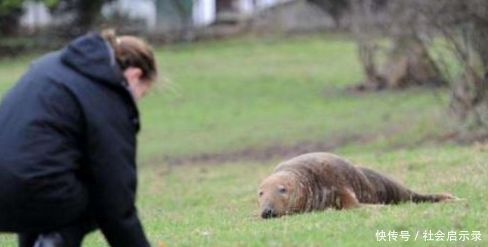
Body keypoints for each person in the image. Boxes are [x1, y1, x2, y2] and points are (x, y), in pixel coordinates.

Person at [0, 30, 157, 247]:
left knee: (46, 187)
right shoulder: (107, 95)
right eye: (142, 93)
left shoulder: (49, 65)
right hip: (32, 187)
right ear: (134, 75)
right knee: (95, 196)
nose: (136, 102)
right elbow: (115, 199)